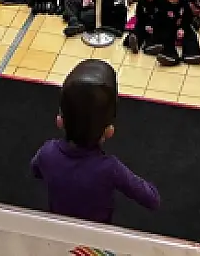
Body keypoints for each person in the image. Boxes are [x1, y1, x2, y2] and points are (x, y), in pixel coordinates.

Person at [30, 60, 161, 224]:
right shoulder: (110, 168)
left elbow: (35, 169)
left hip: (59, 226)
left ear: (60, 121)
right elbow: (152, 199)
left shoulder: (47, 152)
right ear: (109, 131)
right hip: (96, 235)